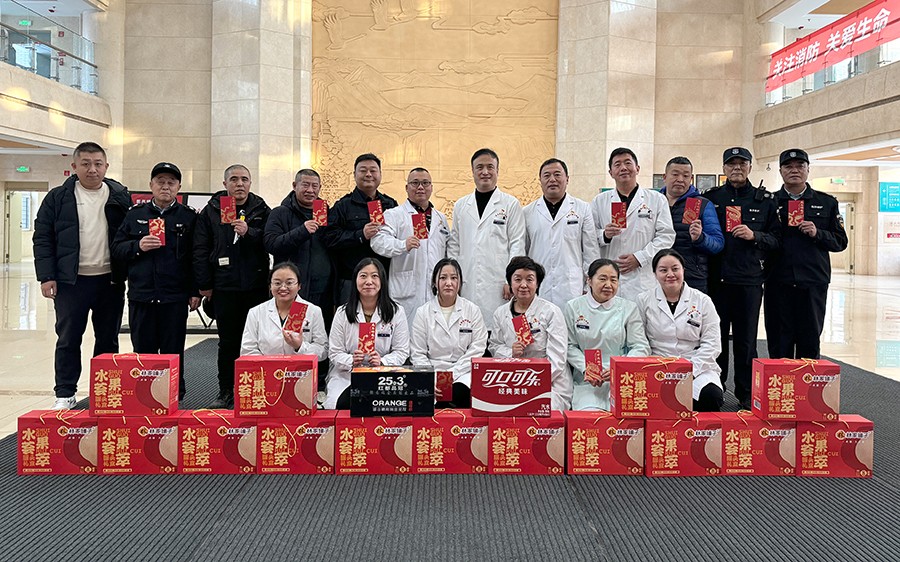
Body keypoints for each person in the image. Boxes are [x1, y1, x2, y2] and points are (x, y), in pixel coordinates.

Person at [33, 141, 131, 409]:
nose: (92, 169)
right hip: (71, 282)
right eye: (85, 164)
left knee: (108, 339)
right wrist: (46, 276)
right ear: (74, 166)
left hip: (109, 280)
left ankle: (106, 393)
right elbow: (43, 238)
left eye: (98, 164)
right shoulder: (57, 198)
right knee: (68, 339)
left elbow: (129, 237)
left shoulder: (120, 196)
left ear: (106, 166)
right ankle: (65, 393)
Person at [111, 162, 199, 401]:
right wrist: (137, 246)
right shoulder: (135, 215)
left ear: (179, 187)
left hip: (174, 297)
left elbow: (196, 256)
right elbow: (117, 249)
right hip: (142, 296)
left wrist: (195, 291)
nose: (165, 186)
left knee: (173, 351)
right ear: (151, 185)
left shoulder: (189, 217)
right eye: (160, 181)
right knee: (143, 351)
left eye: (171, 182)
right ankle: (144, 397)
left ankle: (174, 396)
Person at [705, 147, 780, 410]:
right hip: (717, 281)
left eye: (742, 163)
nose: (736, 168)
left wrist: (754, 235)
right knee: (715, 339)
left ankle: (746, 392)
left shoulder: (765, 201)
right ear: (724, 169)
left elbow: (777, 240)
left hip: (749, 281)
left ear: (749, 167)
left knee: (746, 341)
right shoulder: (711, 199)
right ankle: (715, 388)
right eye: (731, 164)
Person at [194, 164, 272, 409]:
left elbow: (271, 240)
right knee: (228, 342)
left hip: (255, 287)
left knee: (257, 341)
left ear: (250, 183)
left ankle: (255, 389)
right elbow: (200, 249)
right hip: (224, 287)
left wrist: (250, 232)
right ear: (225, 183)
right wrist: (205, 285)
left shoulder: (261, 209)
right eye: (234, 179)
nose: (240, 184)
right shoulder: (211, 211)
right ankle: (226, 390)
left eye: (244, 179)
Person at [764, 149, 848, 360]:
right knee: (779, 343)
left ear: (808, 169)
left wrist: (818, 233)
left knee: (809, 343)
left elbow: (840, 242)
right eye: (788, 166)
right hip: (778, 281)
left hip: (813, 281)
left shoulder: (827, 202)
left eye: (800, 166)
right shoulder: (769, 202)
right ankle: (780, 383)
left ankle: (807, 382)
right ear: (781, 171)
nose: (794, 170)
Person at [447, 148, 526, 332]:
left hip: (499, 283)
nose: (485, 172)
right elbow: (454, 244)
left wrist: (511, 278)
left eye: (490, 167)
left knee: (499, 330)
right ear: (472, 171)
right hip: (468, 281)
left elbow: (517, 243)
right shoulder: (461, 205)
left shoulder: (510, 204)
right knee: (468, 330)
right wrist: (454, 277)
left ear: (497, 170)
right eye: (479, 167)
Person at [637, 249, 724, 412]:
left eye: (675, 269)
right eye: (663, 270)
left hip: (696, 366)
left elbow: (712, 344)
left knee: (711, 395)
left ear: (683, 270)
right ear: (655, 274)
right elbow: (639, 340)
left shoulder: (702, 300)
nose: (670, 274)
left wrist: (690, 371)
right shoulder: (643, 300)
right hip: (658, 366)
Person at [564, 259, 650, 411]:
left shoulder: (628, 308)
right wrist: (586, 368)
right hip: (587, 381)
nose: (608, 285)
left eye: (613, 280)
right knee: (590, 416)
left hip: (623, 378)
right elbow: (569, 346)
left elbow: (640, 346)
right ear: (589, 280)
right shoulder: (573, 307)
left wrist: (618, 368)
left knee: (625, 416)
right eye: (602, 279)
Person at [488, 256, 573, 411]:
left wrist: (531, 381)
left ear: (537, 283)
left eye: (529, 279)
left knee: (542, 409)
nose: (523, 285)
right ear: (510, 282)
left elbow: (558, 358)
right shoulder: (500, 313)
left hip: (550, 381)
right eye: (517, 279)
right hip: (512, 380)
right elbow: (494, 346)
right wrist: (510, 352)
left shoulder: (551, 312)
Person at [591, 147, 675, 302]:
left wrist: (640, 258)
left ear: (637, 168)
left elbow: (666, 236)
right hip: (610, 278)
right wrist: (604, 235)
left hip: (643, 278)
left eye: (628, 163)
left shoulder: (656, 199)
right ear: (611, 172)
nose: (623, 168)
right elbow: (589, 237)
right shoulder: (599, 201)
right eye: (617, 164)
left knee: (642, 315)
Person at [324, 258, 410, 409]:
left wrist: (382, 362)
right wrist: (351, 360)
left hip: (383, 375)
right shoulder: (342, 313)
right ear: (355, 280)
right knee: (336, 404)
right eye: (363, 276)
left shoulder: (396, 312)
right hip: (347, 374)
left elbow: (402, 351)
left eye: (374, 276)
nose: (369, 281)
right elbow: (334, 352)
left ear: (382, 281)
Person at [371, 167, 450, 324]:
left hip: (435, 290)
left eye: (425, 183)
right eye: (415, 183)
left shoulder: (441, 219)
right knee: (406, 332)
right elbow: (378, 241)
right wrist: (402, 245)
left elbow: (448, 251)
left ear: (431, 187)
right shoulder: (394, 214)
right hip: (406, 291)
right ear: (407, 187)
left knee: (434, 332)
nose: (420, 187)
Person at [320, 153, 399, 305]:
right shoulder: (343, 206)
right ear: (354, 174)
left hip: (383, 279)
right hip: (351, 280)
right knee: (350, 318)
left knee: (382, 318)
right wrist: (360, 235)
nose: (368, 174)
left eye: (373, 170)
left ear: (380, 174)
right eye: (363, 170)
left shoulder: (390, 205)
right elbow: (329, 238)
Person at [410, 258, 488, 408]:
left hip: (463, 372)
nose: (448, 283)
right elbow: (417, 353)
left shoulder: (472, 310)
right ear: (435, 282)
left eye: (453, 278)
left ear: (460, 282)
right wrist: (431, 378)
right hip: (432, 370)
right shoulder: (423, 312)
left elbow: (478, 348)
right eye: (443, 278)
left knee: (459, 393)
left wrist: (453, 373)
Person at [264, 168, 335, 330]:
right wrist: (302, 231)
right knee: (294, 334)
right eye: (305, 185)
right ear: (294, 185)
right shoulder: (280, 213)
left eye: (315, 186)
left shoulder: (326, 213)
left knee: (321, 336)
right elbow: (271, 244)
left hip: (324, 290)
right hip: (293, 290)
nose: (310, 190)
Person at [524, 158, 600, 310]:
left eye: (557, 174)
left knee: (572, 323)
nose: (552, 179)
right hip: (538, 287)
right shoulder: (527, 212)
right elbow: (523, 251)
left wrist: (590, 285)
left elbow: (591, 251)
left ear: (567, 179)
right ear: (540, 181)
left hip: (571, 287)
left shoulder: (582, 209)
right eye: (547, 176)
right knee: (538, 322)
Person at [660, 156, 724, 294]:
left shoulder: (703, 204)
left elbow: (718, 243)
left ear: (691, 179)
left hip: (692, 278)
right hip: (658, 276)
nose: (680, 179)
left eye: (685, 176)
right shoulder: (653, 203)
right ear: (664, 177)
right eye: (675, 174)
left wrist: (700, 238)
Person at [240, 262, 328, 359]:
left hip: (300, 368)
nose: (283, 288)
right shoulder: (256, 312)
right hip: (265, 368)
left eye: (289, 283)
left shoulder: (312, 311)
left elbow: (323, 351)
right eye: (277, 283)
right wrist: (270, 365)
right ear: (270, 286)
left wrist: (300, 346)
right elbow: (248, 350)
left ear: (299, 285)